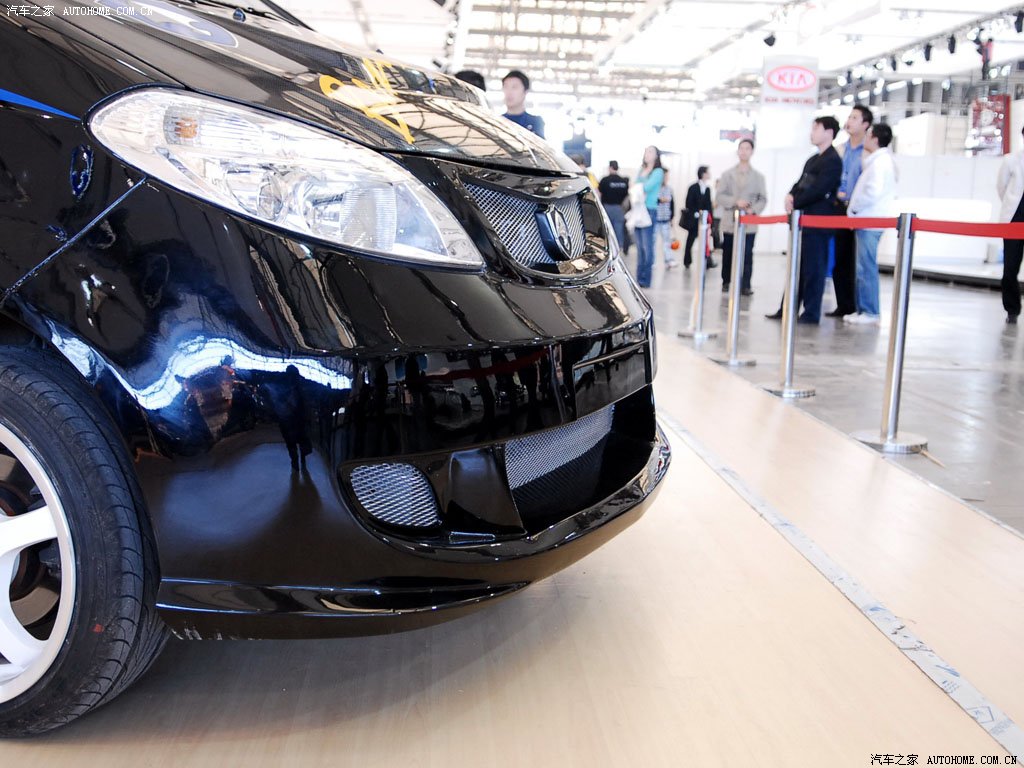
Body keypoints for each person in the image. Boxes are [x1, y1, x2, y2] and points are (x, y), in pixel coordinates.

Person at [766, 116, 843, 325]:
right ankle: (787, 308)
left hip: (818, 222)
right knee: (797, 267)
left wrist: (796, 201)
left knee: (814, 269)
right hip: (804, 220)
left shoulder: (833, 160)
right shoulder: (813, 159)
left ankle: (811, 312)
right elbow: (801, 183)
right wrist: (790, 196)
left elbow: (819, 189)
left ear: (829, 132)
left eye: (816, 128)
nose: (812, 133)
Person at [846, 123, 896, 326]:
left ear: (875, 138)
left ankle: (870, 311)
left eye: (868, 135)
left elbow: (872, 192)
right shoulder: (877, 161)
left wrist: (855, 208)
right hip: (867, 220)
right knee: (863, 266)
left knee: (866, 267)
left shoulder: (880, 163)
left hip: (870, 221)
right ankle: (864, 309)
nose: (865, 138)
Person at [830, 105, 873, 318]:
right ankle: (844, 305)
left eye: (855, 118)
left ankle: (862, 307)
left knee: (860, 260)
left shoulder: (870, 152)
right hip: (839, 208)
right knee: (840, 258)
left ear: (865, 124)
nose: (849, 121)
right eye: (849, 117)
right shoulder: (839, 150)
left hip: (860, 210)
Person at [716, 138, 768, 295]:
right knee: (728, 253)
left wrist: (753, 210)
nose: (744, 151)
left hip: (749, 223)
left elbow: (763, 199)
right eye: (741, 148)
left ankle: (746, 284)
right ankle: (726, 281)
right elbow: (719, 196)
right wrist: (735, 201)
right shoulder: (727, 174)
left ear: (752, 152)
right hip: (730, 222)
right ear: (737, 151)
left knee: (747, 254)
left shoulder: (758, 177)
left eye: (747, 148)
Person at [996, 124, 1024, 324]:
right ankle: (1012, 310)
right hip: (1014, 218)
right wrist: (1010, 204)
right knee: (1010, 268)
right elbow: (1001, 187)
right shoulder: (1011, 160)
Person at [633, 145, 664, 288]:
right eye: (646, 151)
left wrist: (640, 184)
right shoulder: (642, 170)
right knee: (639, 247)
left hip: (649, 210)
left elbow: (646, 187)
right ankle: (639, 278)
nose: (647, 154)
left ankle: (646, 279)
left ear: (656, 155)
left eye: (650, 152)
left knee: (647, 246)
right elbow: (635, 186)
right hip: (638, 209)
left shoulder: (658, 172)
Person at [681, 166, 715, 269]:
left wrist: (710, 219)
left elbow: (709, 205)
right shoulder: (693, 187)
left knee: (706, 242)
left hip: (704, 220)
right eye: (708, 172)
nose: (709, 174)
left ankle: (708, 261)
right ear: (703, 174)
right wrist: (696, 213)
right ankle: (687, 261)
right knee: (690, 241)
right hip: (693, 220)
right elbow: (688, 202)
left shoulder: (708, 189)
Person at [501, 70, 544, 138]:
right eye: (506, 87)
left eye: (514, 87)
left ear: (525, 92)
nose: (509, 92)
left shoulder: (535, 122)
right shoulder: (498, 121)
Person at [598, 161, 629, 249]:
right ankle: (619, 248)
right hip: (619, 208)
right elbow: (626, 195)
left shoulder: (605, 180)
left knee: (607, 229)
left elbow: (600, 192)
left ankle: (609, 248)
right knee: (619, 229)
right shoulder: (623, 181)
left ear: (610, 167)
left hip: (607, 207)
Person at [655, 169, 678, 269]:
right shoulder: (655, 188)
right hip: (655, 219)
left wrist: (672, 218)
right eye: (665, 176)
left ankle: (669, 260)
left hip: (666, 219)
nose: (667, 178)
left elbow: (672, 204)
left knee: (667, 241)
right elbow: (654, 200)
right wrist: (661, 200)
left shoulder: (669, 189)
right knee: (653, 242)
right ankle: (652, 262)